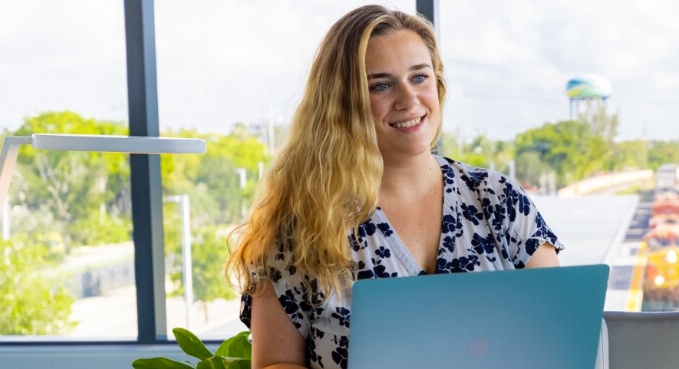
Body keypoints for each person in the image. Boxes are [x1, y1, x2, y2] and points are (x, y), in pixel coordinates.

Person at [225, 5, 563, 369]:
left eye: (419, 77)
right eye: (381, 85)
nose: (408, 100)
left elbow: (561, 331)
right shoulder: (299, 227)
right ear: (342, 103)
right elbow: (276, 362)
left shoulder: (498, 199)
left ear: (438, 83)